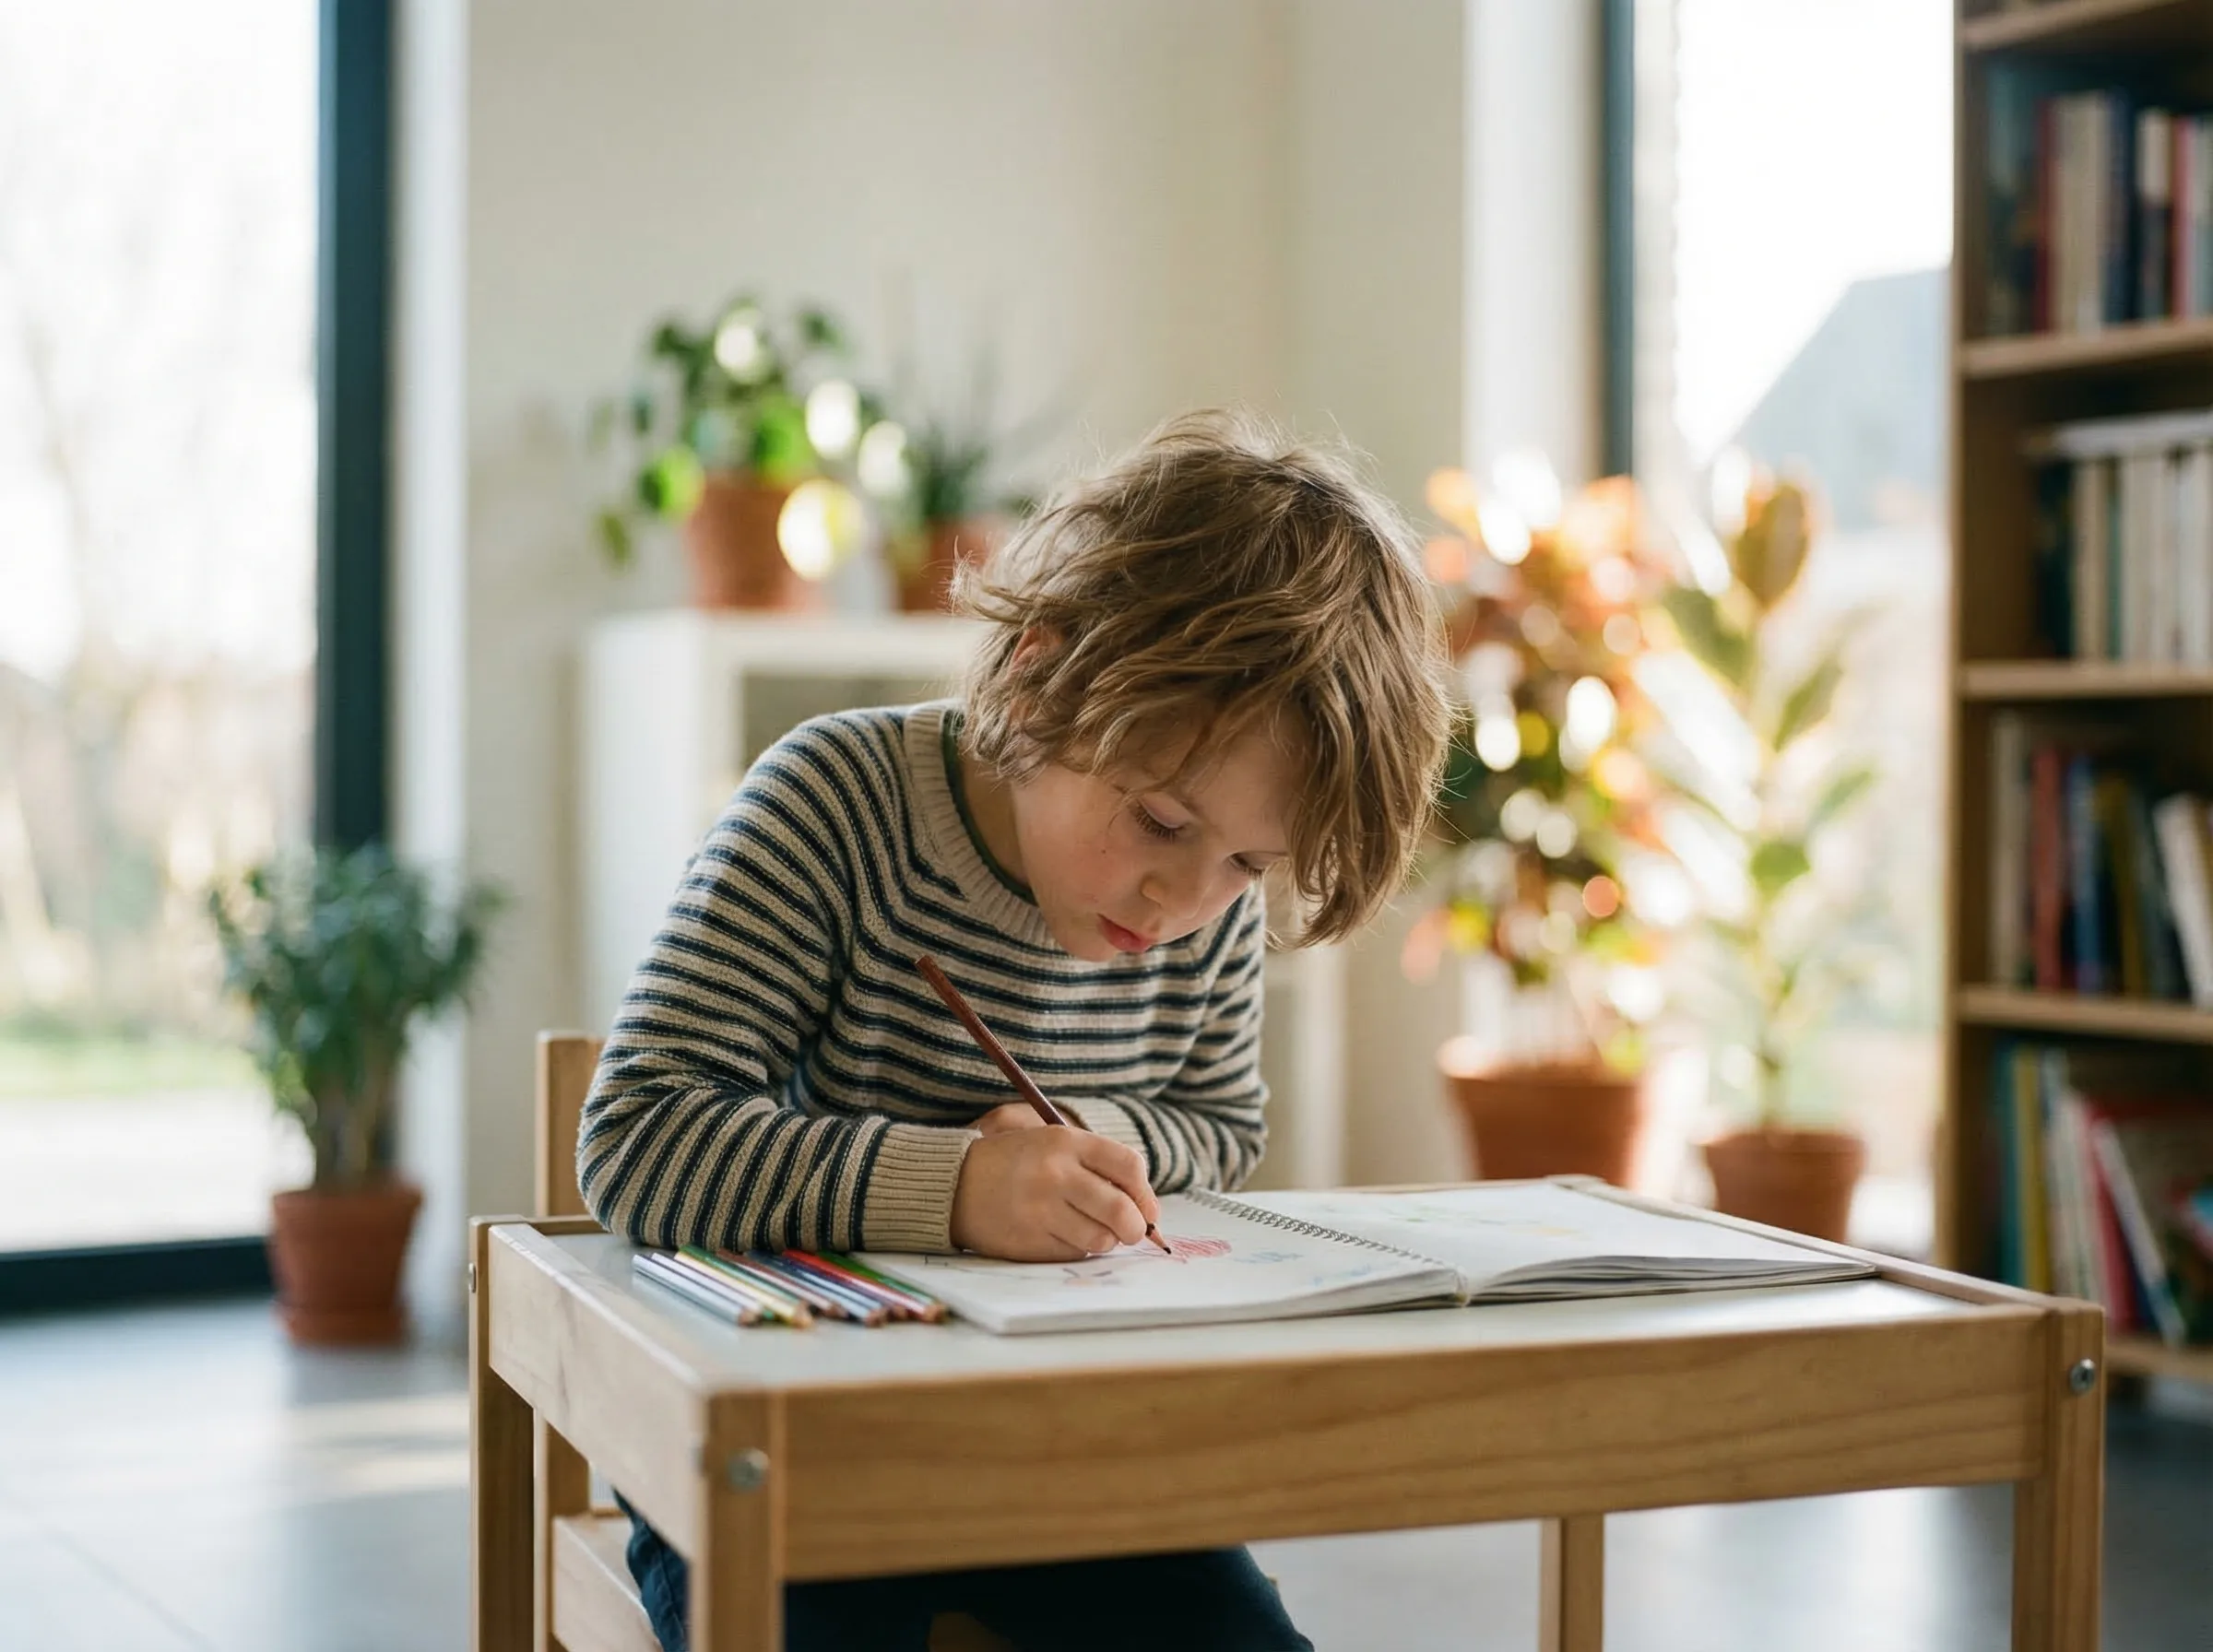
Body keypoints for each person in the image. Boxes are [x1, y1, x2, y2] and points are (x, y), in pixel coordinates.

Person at [581, 407, 1452, 1651]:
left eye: (1250, 864)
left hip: (1065, 1454)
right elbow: (640, 1140)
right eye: (1159, 824)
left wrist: (1091, 1142)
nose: (1188, 901)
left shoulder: (1200, 911)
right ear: (1043, 671)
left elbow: (1220, 1125)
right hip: (788, 1441)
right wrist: (955, 1188)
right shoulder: (832, 804)